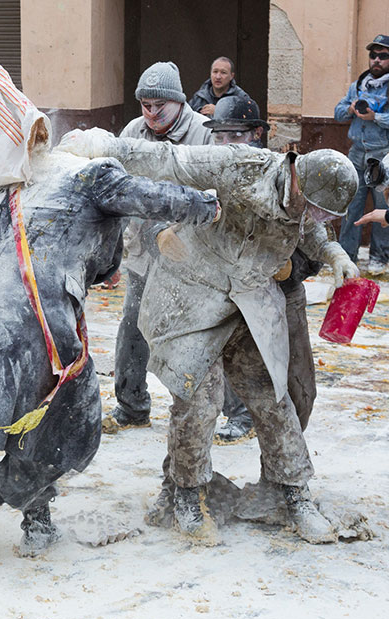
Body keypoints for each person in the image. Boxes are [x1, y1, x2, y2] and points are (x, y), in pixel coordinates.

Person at [0, 140, 220, 560]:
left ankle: (38, 523)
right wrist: (204, 204)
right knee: (74, 428)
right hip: (32, 319)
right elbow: (153, 198)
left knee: (31, 420)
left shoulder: (18, 181)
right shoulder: (94, 173)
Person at [58, 128, 360, 546]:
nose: (319, 217)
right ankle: (186, 495)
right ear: (296, 179)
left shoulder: (305, 206)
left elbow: (309, 231)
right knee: (199, 403)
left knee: (272, 397)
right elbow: (170, 161)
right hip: (192, 295)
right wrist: (105, 147)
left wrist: (336, 255)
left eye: (326, 214)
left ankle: (294, 493)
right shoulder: (242, 165)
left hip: (247, 301)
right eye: (316, 207)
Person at [205, 96, 321, 442]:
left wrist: (292, 268)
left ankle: (288, 460)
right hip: (233, 297)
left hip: (283, 299)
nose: (227, 146)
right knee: (233, 368)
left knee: (298, 387)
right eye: (220, 137)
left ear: (257, 134)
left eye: (235, 137)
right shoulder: (209, 176)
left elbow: (317, 243)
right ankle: (239, 415)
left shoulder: (287, 178)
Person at [105, 62, 212, 433]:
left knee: (201, 331)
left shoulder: (203, 133)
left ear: (178, 102)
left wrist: (178, 230)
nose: (151, 114)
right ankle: (131, 404)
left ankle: (209, 412)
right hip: (142, 251)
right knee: (134, 325)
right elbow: (115, 191)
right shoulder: (134, 132)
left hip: (191, 254)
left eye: (159, 106)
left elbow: (215, 194)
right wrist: (113, 251)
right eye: (145, 105)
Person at [334, 34, 389, 276]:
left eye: (383, 56)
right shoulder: (358, 85)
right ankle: (347, 257)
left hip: (382, 155)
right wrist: (350, 108)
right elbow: (337, 113)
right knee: (352, 207)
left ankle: (379, 257)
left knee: (383, 209)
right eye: (373, 55)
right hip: (357, 153)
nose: (376, 60)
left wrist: (374, 117)